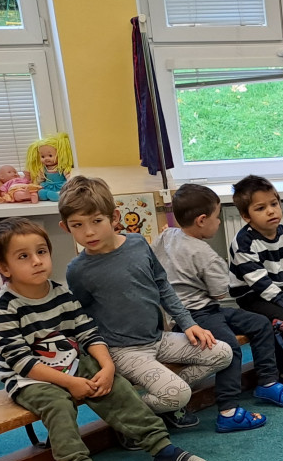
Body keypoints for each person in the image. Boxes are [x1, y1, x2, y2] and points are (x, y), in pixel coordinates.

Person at [0, 216, 208, 461]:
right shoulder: (4, 306)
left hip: (69, 363)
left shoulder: (60, 292)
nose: (37, 261)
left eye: (41, 252)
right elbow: (19, 361)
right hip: (30, 378)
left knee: (114, 385)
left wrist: (107, 366)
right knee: (58, 405)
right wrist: (70, 383)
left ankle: (161, 449)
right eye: (23, 257)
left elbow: (87, 331)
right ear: (4, 268)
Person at [62, 177, 232, 431]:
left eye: (97, 221)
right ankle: (131, 418)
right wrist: (100, 360)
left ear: (114, 217)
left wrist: (188, 323)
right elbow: (82, 319)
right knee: (179, 394)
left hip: (158, 338)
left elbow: (162, 285)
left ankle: (155, 402)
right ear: (66, 227)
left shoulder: (137, 243)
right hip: (122, 351)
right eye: (78, 225)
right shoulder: (77, 270)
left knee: (223, 353)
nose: (88, 232)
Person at [154, 184, 283, 433]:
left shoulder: (167, 236)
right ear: (201, 220)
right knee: (230, 348)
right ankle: (228, 410)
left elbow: (153, 252)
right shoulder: (206, 255)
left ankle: (267, 381)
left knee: (259, 323)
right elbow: (220, 293)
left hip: (199, 312)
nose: (219, 222)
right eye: (216, 217)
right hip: (197, 316)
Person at [227, 174, 283, 398]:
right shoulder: (244, 242)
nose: (271, 211)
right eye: (260, 208)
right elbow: (260, 284)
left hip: (281, 288)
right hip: (252, 295)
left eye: (274, 204)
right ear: (246, 216)